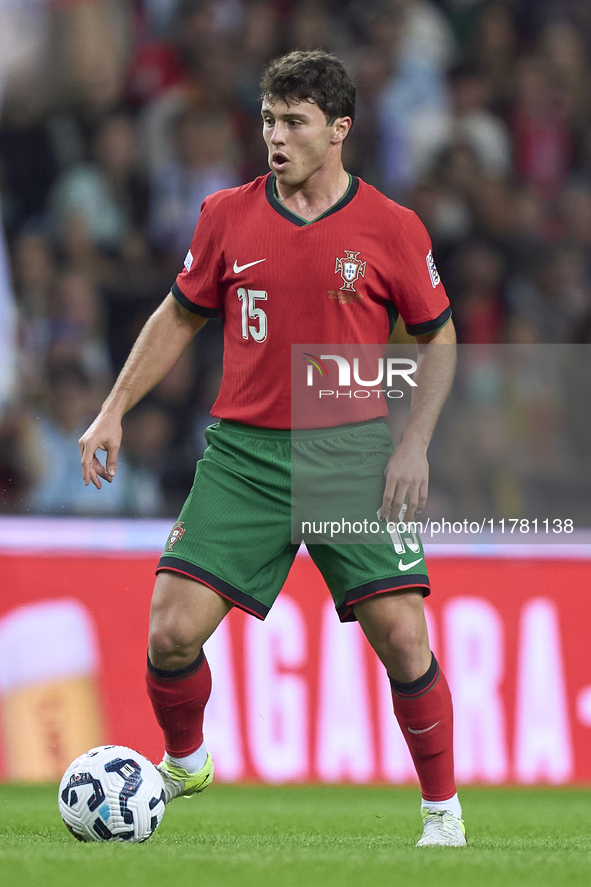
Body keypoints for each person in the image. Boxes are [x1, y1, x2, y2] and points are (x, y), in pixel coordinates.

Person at [79, 49, 464, 847]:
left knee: (402, 636)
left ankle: (441, 813)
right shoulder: (225, 214)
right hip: (244, 457)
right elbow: (179, 315)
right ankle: (186, 759)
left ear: (339, 130)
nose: (275, 137)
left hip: (349, 458)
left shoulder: (391, 228)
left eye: (294, 122)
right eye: (267, 120)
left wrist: (413, 444)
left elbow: (439, 339)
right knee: (169, 633)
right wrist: (113, 408)